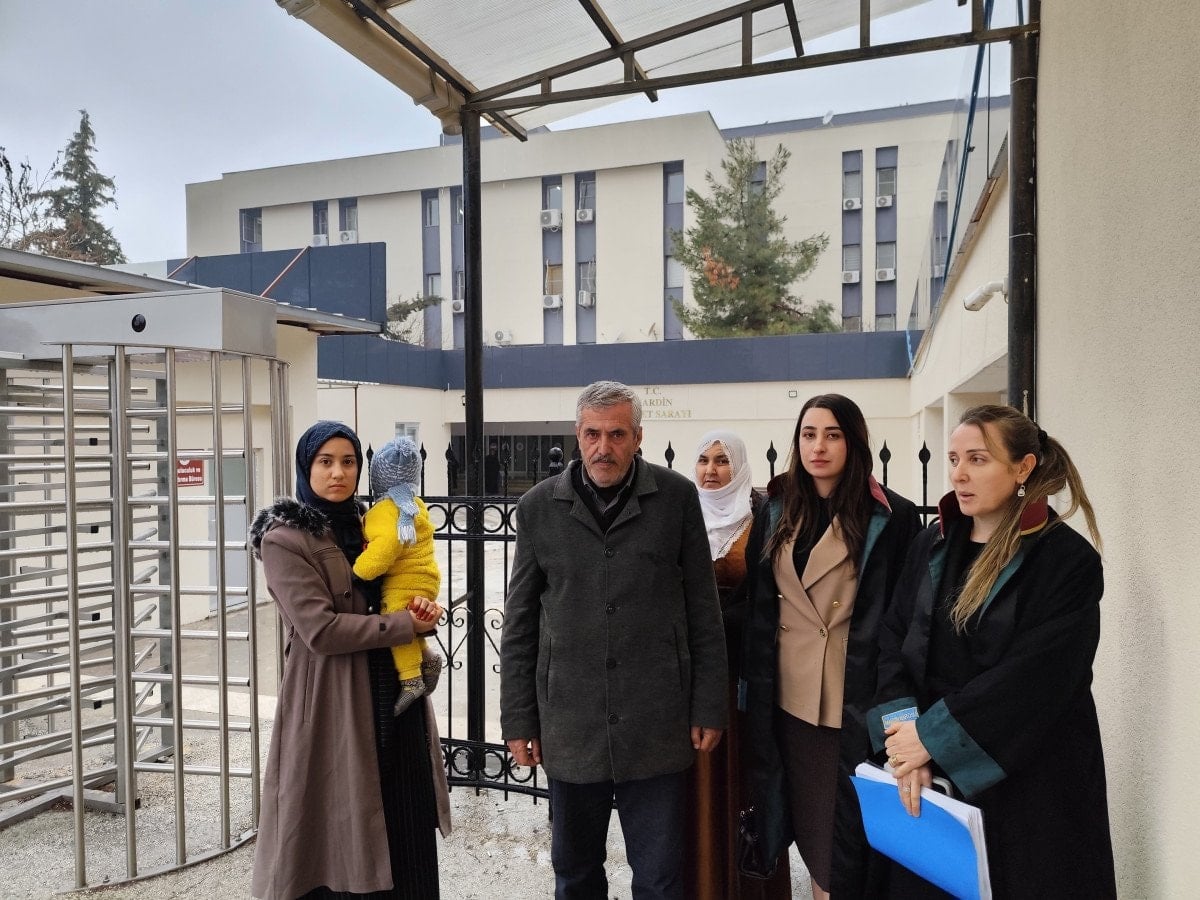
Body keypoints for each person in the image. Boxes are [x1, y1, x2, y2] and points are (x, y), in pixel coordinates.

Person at [869, 405, 1116, 898]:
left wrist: (931, 739)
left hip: (1032, 781)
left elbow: (1036, 679)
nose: (958, 474)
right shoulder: (931, 544)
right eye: (954, 459)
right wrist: (904, 740)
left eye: (977, 459)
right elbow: (892, 641)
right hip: (929, 774)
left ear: (1023, 468)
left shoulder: (1067, 562)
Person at [500, 380, 729, 900]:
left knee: (661, 879)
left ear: (638, 437)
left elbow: (703, 610)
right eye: (592, 434)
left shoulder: (676, 499)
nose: (603, 447)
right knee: (575, 874)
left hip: (657, 724)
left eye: (617, 434)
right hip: (570, 727)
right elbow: (519, 625)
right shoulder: (538, 507)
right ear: (578, 435)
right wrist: (518, 719)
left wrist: (708, 705)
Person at [249, 421, 451, 900]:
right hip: (333, 700)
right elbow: (320, 630)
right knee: (341, 829)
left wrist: (421, 610)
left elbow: (399, 584)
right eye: (325, 462)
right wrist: (403, 626)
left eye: (348, 461)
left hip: (393, 694)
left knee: (404, 821)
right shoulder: (285, 539)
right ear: (306, 467)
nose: (338, 473)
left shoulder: (372, 521)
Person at [739, 394, 920, 899]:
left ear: (854, 442)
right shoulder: (776, 507)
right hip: (785, 704)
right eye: (808, 434)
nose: (818, 447)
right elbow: (758, 603)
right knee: (807, 835)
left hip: (846, 706)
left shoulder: (891, 516)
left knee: (839, 850)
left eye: (832, 435)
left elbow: (906, 618)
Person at [683, 432, 791, 900]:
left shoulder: (761, 519)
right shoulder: (682, 518)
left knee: (743, 781)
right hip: (689, 680)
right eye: (703, 460)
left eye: (722, 460)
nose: (711, 470)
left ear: (740, 467)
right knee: (691, 788)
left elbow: (773, 598)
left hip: (742, 677)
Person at [353, 436, 444, 715]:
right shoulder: (415, 505)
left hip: (403, 582)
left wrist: (359, 569)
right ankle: (427, 657)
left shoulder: (384, 511)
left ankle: (411, 679)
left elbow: (387, 547)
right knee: (412, 621)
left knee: (397, 623)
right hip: (426, 578)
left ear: (376, 478)